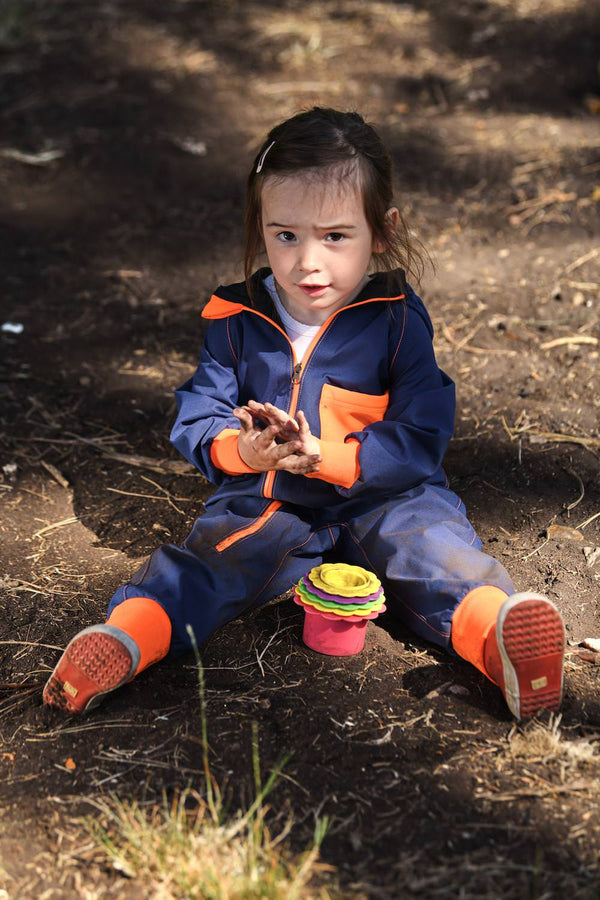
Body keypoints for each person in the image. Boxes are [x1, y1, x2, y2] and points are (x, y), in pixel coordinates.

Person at [43, 107, 565, 720]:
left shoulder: (396, 320)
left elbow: (422, 430)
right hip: (270, 497)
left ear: (384, 231)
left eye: (335, 236)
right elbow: (199, 411)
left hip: (385, 495)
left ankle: (503, 641)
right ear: (260, 227)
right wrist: (243, 452)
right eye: (285, 235)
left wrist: (331, 457)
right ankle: (126, 639)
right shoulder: (236, 320)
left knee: (433, 552)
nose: (308, 263)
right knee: (211, 561)